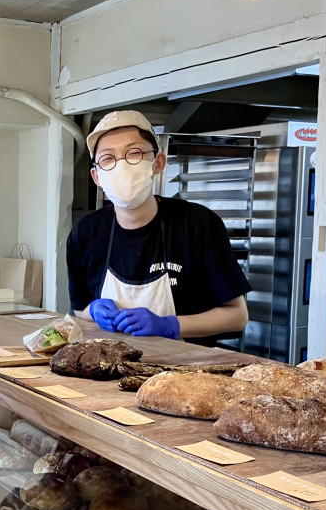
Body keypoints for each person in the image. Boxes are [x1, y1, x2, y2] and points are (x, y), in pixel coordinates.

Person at [66, 110, 251, 344]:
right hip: (107, 362)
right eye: (108, 158)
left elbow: (237, 316)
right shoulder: (85, 233)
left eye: (134, 153)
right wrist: (93, 311)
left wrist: (168, 325)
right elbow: (80, 309)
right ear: (96, 177)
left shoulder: (198, 224)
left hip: (186, 363)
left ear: (158, 163)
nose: (121, 166)